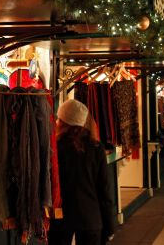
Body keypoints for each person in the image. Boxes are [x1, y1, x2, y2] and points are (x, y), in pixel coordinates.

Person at [49, 100, 114, 245]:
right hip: (90, 218)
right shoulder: (96, 148)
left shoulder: (54, 148)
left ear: (63, 122)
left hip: (61, 218)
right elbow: (104, 191)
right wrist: (109, 226)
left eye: (59, 119)